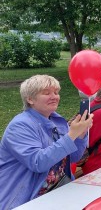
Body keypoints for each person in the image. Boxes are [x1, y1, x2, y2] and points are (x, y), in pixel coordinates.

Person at [0, 75, 93, 209]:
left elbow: (74, 156)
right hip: (27, 199)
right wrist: (72, 134)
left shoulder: (56, 120)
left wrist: (80, 134)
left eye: (56, 92)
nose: (54, 96)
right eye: (46, 93)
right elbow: (38, 162)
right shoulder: (19, 126)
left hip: (58, 190)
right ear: (30, 99)